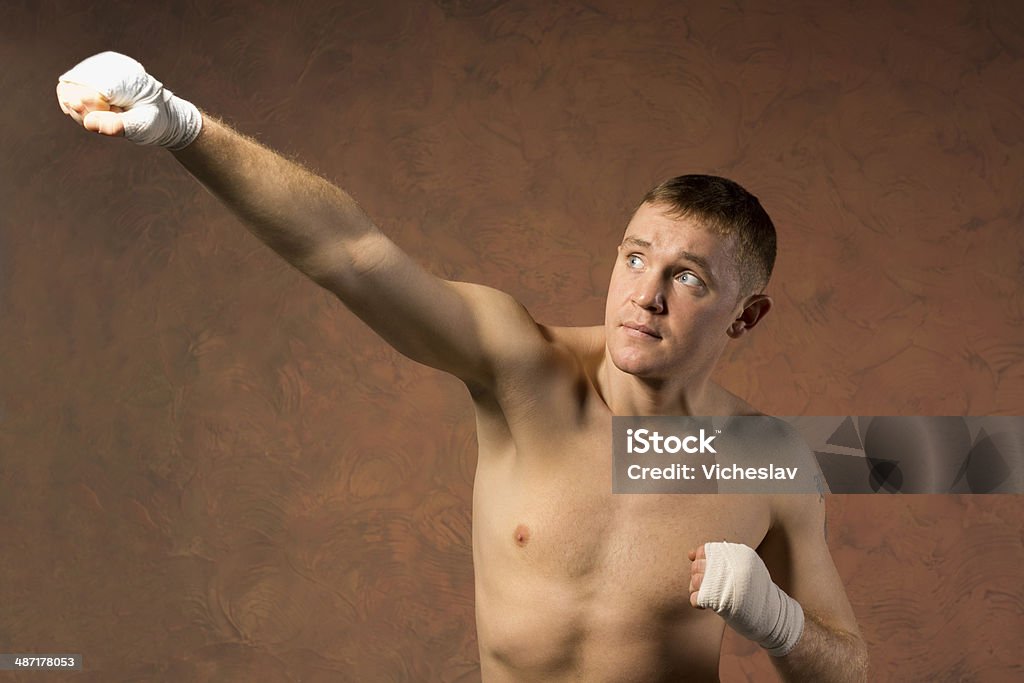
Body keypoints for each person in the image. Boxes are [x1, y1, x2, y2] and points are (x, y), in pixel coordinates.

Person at [56, 52, 868, 682]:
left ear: (746, 315)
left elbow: (847, 667)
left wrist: (777, 619)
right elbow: (352, 253)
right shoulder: (525, 369)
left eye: (687, 277)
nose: (644, 295)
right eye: (633, 257)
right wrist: (182, 125)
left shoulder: (767, 460)